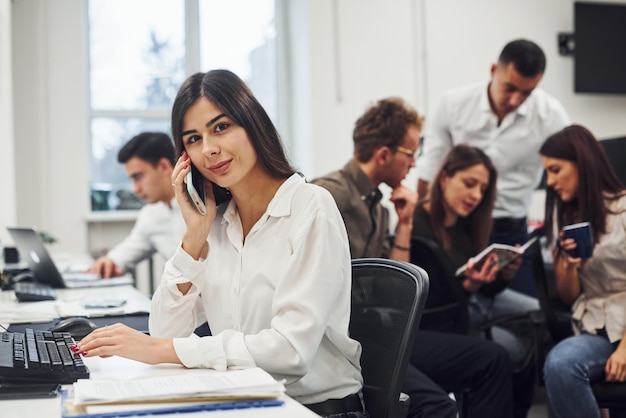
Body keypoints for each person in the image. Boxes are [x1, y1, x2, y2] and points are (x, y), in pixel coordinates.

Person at [76, 69, 367, 418]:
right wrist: (194, 236)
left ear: (253, 124)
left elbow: (290, 352)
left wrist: (166, 350)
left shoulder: (310, 207)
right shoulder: (215, 223)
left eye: (221, 127)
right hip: (243, 400)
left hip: (316, 409)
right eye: (193, 139)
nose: (210, 149)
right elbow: (166, 331)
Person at [313, 98, 514, 418]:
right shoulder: (328, 195)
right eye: (410, 154)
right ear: (383, 154)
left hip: (367, 333)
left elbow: (388, 288)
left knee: (480, 370)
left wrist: (404, 223)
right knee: (439, 407)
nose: (414, 164)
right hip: (338, 341)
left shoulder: (378, 208)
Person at [416, 39, 571, 297]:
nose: (515, 100)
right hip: (456, 230)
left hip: (509, 233)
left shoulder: (550, 114)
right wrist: (418, 227)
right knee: (450, 305)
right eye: (509, 88)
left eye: (526, 93)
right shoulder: (453, 105)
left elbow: (572, 163)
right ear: (492, 71)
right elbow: (429, 170)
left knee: (528, 315)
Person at [412, 144, 540, 417]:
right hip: (441, 320)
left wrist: (504, 273)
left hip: (469, 303)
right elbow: (428, 305)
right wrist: (469, 287)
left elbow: (488, 288)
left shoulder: (465, 224)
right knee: (502, 353)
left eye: (482, 190)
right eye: (470, 184)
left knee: (539, 318)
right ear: (444, 177)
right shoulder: (416, 225)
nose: (476, 196)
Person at [540, 125, 626, 418]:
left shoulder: (623, 210)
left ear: (582, 163)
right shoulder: (567, 218)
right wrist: (567, 267)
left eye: (555, 170)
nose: (550, 181)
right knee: (560, 363)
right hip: (597, 328)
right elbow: (569, 296)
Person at [88, 132, 184, 278]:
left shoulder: (207, 206)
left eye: (138, 177)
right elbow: (128, 251)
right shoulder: (151, 214)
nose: (134, 189)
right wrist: (109, 261)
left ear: (164, 166)